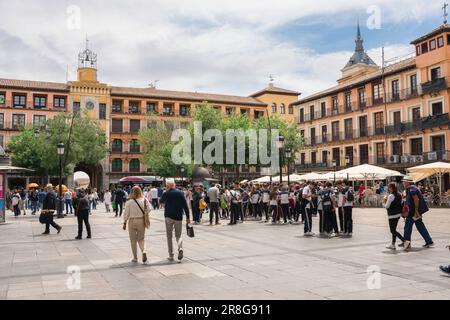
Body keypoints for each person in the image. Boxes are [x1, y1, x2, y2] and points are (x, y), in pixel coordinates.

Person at [160, 179, 190, 262]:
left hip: (168, 216)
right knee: (178, 236)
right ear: (174, 185)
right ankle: (180, 248)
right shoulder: (180, 193)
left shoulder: (166, 193)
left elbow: (161, 203)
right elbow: (185, 206)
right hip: (178, 217)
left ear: (168, 186)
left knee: (169, 237)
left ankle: (171, 255)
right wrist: (188, 217)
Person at [402, 176, 433, 251]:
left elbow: (416, 199)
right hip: (414, 212)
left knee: (407, 228)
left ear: (407, 182)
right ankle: (429, 241)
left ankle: (407, 243)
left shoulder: (412, 189)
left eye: (404, 182)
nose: (403, 183)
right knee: (420, 226)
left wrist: (416, 211)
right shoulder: (412, 188)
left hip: (413, 213)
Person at [123, 186, 150, 264]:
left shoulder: (129, 202)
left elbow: (126, 214)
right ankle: (144, 251)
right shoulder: (145, 200)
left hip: (132, 221)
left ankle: (135, 258)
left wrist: (124, 222)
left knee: (133, 240)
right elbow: (148, 210)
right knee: (141, 239)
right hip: (141, 220)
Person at [383, 182, 405, 249]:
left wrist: (383, 202)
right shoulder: (399, 194)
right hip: (398, 214)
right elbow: (401, 203)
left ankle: (404, 240)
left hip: (392, 215)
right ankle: (393, 244)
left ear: (391, 188)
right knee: (394, 230)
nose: (388, 188)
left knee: (392, 230)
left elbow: (387, 206)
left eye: (388, 187)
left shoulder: (391, 196)